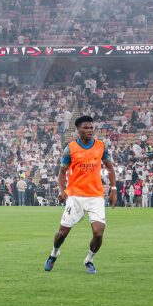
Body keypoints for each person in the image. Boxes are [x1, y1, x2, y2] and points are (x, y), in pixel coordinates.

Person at [44, 116, 117, 275]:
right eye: (86, 128)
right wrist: (62, 190)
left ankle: (89, 260)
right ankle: (54, 253)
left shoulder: (101, 147)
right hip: (75, 196)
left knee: (98, 233)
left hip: (95, 196)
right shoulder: (70, 149)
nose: (90, 130)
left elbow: (110, 168)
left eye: (91, 128)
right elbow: (62, 172)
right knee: (62, 233)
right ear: (78, 130)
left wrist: (113, 189)